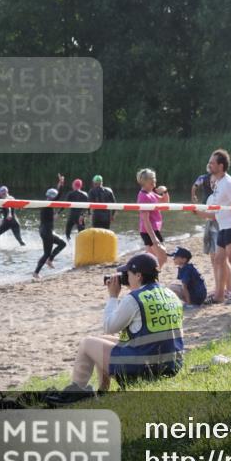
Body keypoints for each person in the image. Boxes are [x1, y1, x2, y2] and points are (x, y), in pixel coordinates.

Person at [55, 253, 183, 397]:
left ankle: (75, 392)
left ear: (138, 276)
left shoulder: (134, 298)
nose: (125, 278)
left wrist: (113, 297)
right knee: (100, 340)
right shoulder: (170, 295)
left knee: (87, 343)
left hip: (145, 368)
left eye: (127, 274)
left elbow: (109, 327)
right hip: (170, 365)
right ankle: (103, 390)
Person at [193, 150, 231, 304]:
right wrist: (198, 213)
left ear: (221, 166)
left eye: (212, 163)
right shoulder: (217, 183)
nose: (209, 165)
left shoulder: (229, 183)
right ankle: (219, 295)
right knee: (218, 260)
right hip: (223, 227)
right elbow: (217, 213)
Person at [191, 170, 221, 297]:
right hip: (211, 227)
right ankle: (218, 286)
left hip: (219, 229)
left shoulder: (220, 195)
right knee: (213, 258)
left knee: (219, 260)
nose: (213, 184)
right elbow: (194, 186)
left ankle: (223, 288)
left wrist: (198, 212)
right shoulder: (209, 195)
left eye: (215, 182)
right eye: (211, 182)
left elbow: (216, 216)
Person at [33, 176, 67, 279]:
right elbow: (59, 195)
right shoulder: (48, 204)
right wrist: (61, 184)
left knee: (62, 243)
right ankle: (36, 272)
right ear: (52, 197)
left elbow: (56, 195)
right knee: (46, 253)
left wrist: (59, 184)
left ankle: (50, 260)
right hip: (46, 231)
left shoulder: (47, 203)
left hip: (45, 230)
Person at [135, 168, 168, 268]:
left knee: (151, 258)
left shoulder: (151, 193)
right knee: (162, 255)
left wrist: (165, 191)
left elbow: (165, 202)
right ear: (144, 183)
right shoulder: (143, 196)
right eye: (151, 183)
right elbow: (146, 220)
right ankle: (154, 276)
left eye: (154, 181)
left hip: (153, 229)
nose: (154, 185)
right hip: (148, 230)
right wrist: (154, 239)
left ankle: (147, 277)